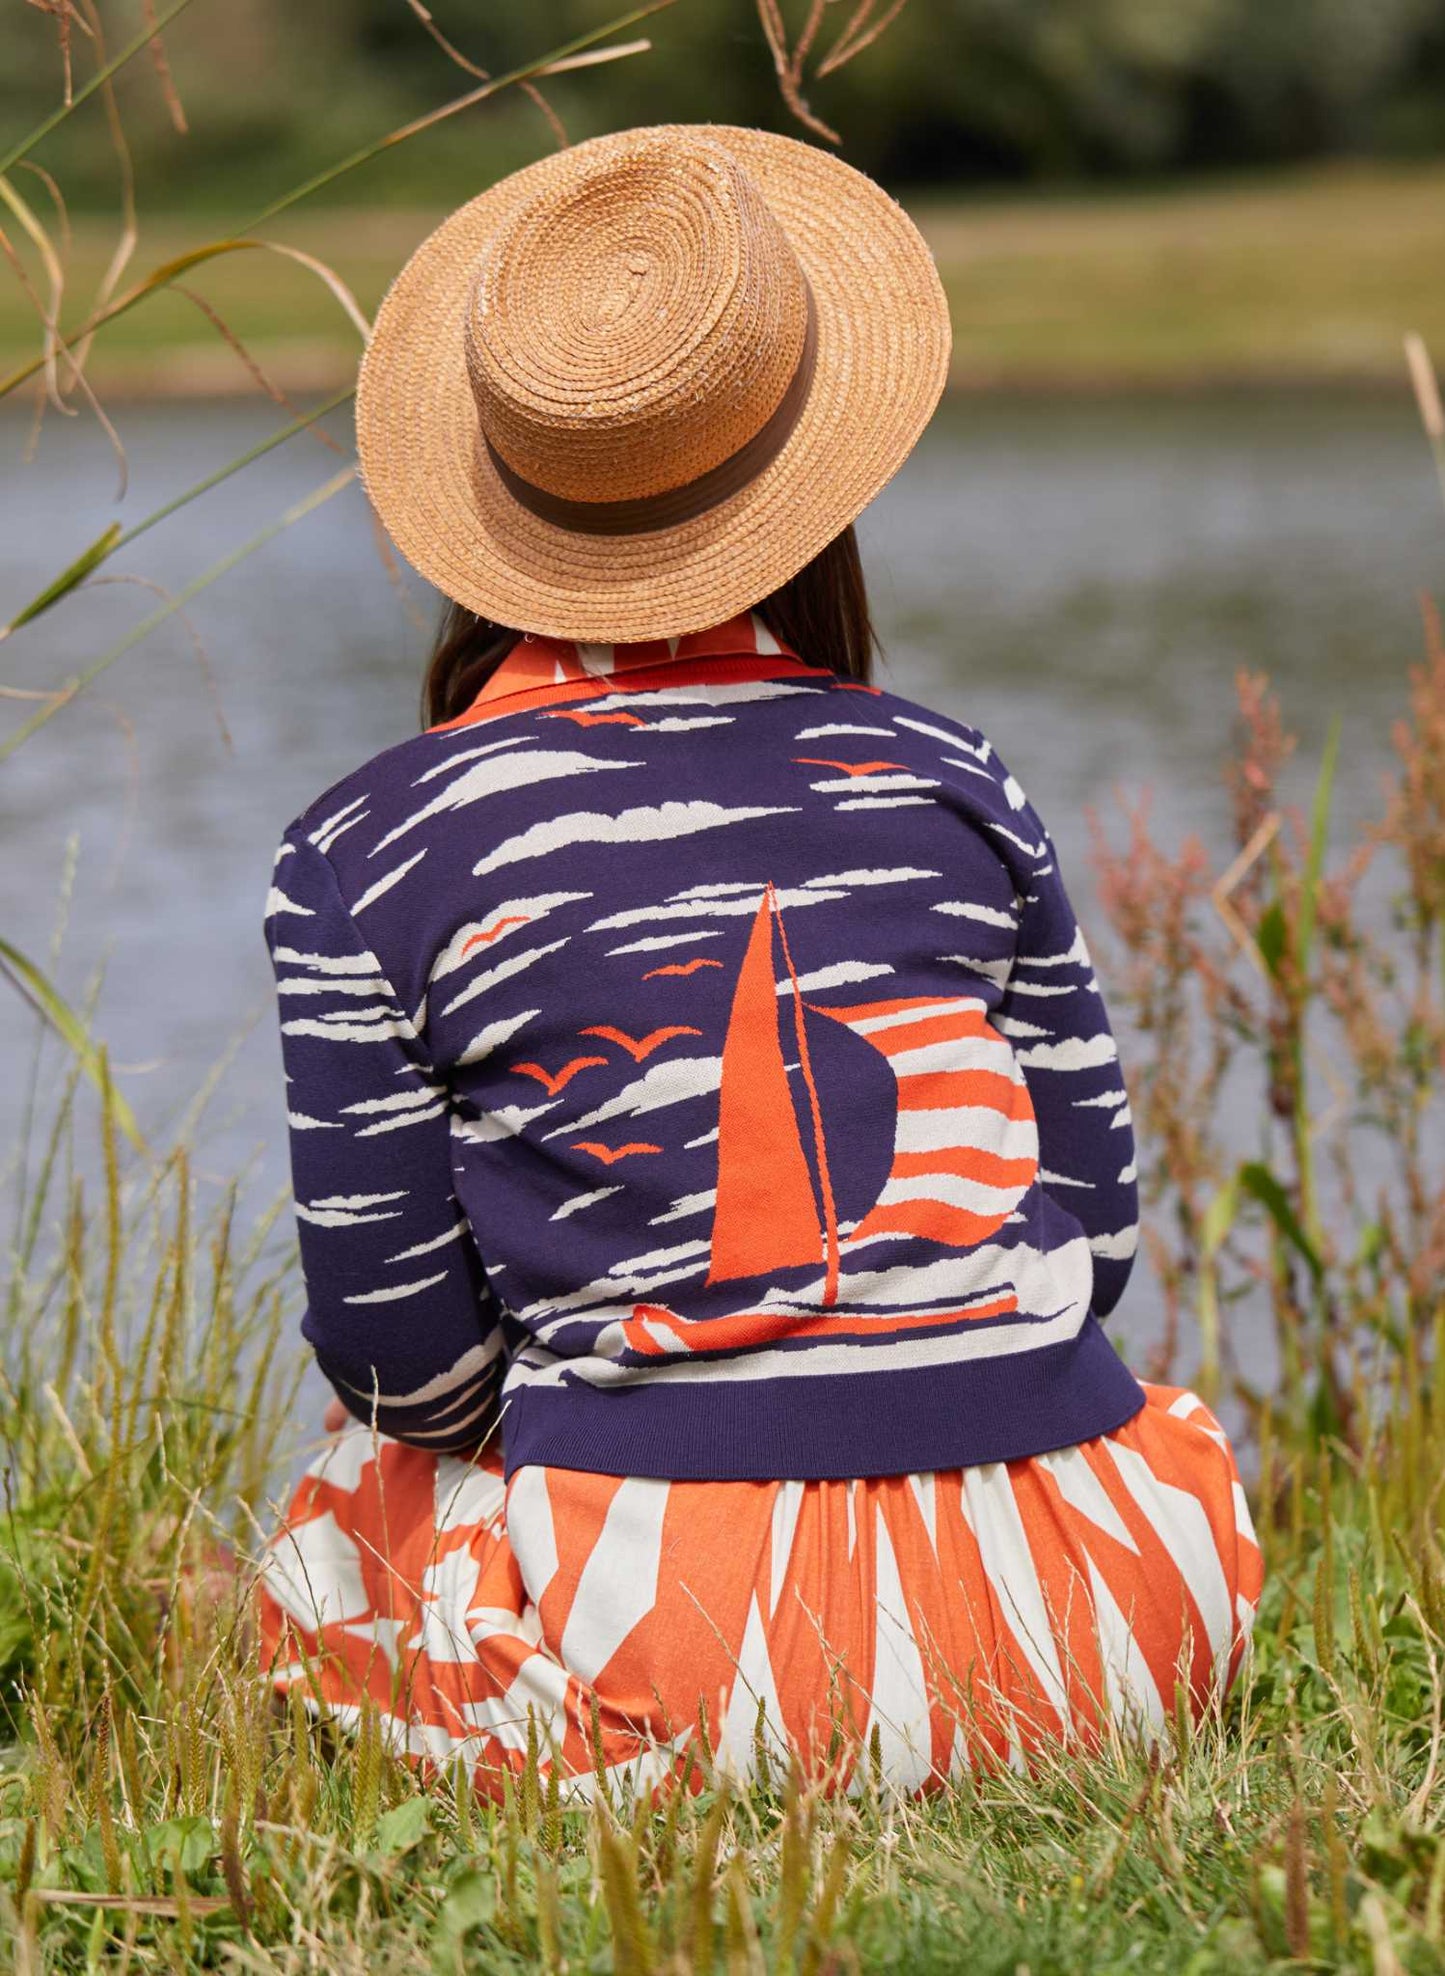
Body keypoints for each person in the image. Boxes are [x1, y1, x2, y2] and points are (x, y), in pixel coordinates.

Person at [257, 124, 1261, 1795]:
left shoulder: (370, 848)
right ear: (819, 480)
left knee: (343, 1513)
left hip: (694, 1668)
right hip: (1108, 1627)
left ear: (489, 496)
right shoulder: (949, 775)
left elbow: (403, 1367)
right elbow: (1087, 1250)